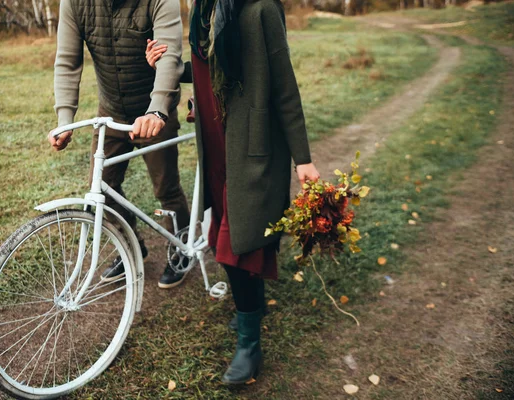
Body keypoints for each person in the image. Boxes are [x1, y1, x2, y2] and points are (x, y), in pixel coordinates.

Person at [144, 0, 320, 385]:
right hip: (217, 145)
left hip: (252, 148)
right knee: (225, 232)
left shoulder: (260, 10)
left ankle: (249, 346)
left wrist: (302, 159)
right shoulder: (204, 13)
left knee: (240, 245)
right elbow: (210, 69)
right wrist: (164, 64)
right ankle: (249, 313)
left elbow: (284, 86)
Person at [49, 0, 191, 289]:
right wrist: (65, 118)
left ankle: (182, 248)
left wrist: (157, 109)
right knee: (101, 186)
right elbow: (67, 60)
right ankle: (131, 247)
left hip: (154, 113)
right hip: (111, 111)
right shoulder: (74, 4)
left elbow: (170, 56)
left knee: (166, 188)